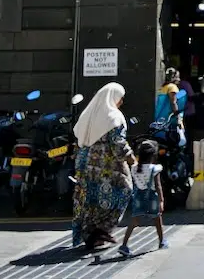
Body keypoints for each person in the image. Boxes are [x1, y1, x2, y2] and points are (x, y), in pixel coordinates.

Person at [72, 82, 135, 251]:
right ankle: (100, 231)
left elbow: (78, 135)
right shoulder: (114, 117)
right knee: (124, 191)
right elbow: (118, 144)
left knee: (90, 201)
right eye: (120, 98)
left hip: (85, 166)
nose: (121, 102)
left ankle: (90, 234)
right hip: (107, 166)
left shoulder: (89, 114)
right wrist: (131, 159)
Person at [118, 140, 167, 257]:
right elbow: (158, 186)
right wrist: (161, 200)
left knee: (134, 220)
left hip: (139, 196)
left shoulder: (134, 168)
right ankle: (162, 241)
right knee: (157, 219)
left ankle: (124, 245)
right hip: (152, 197)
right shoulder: (155, 169)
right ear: (153, 155)